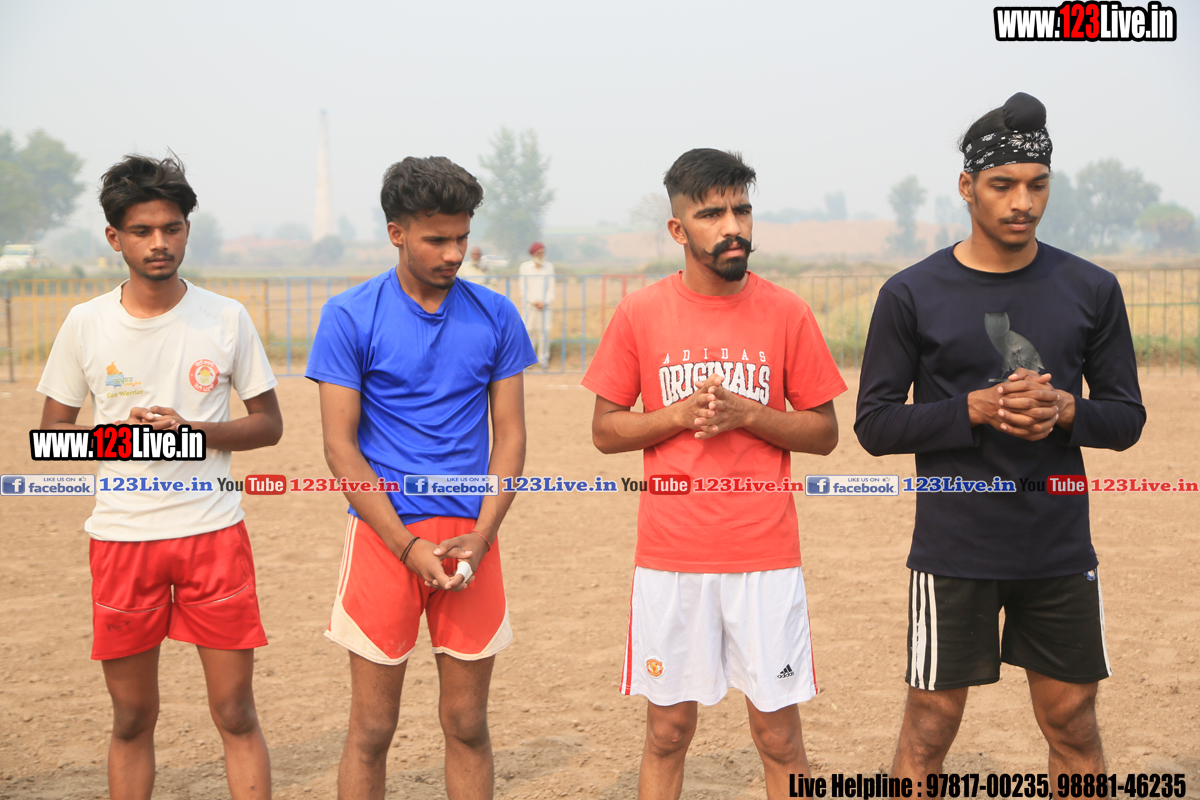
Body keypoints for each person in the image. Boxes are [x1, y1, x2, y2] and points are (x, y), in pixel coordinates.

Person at [855, 92, 1145, 781]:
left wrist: (1065, 410)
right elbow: (874, 423)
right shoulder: (911, 293)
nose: (1024, 202)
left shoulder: (1091, 287)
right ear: (967, 187)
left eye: (1038, 185)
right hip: (954, 546)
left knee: (1072, 719)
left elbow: (1126, 418)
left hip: (1057, 543)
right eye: (1003, 185)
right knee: (930, 725)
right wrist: (974, 409)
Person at [582, 148, 846, 800]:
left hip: (765, 557)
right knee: (667, 732)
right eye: (712, 214)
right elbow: (605, 431)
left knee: (779, 737)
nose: (733, 227)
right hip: (671, 558)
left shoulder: (787, 312)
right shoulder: (640, 313)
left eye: (742, 210)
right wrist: (675, 415)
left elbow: (824, 433)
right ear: (678, 229)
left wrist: (750, 413)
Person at [36, 154, 283, 800]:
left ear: (187, 231)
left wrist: (192, 431)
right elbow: (51, 438)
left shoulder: (225, 318)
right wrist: (129, 437)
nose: (158, 243)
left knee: (236, 713)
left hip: (213, 535)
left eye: (171, 228)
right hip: (122, 540)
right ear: (114, 237)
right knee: (131, 718)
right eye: (142, 231)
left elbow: (269, 425)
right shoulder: (86, 323)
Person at [306, 156, 535, 799]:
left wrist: (483, 536)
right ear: (396, 233)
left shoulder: (496, 316)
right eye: (437, 239)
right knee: (373, 729)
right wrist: (405, 546)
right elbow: (339, 448)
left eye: (462, 237)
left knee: (467, 724)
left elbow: (511, 436)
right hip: (384, 538)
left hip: (471, 538)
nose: (454, 253)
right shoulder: (349, 315)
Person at [518, 241, 555, 364]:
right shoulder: (525, 267)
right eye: (538, 253)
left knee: (545, 332)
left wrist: (545, 301)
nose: (541, 255)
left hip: (545, 306)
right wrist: (534, 301)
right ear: (533, 254)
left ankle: (543, 359)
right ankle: (529, 360)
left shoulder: (549, 267)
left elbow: (551, 288)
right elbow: (523, 288)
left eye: (542, 253)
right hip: (530, 305)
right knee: (529, 331)